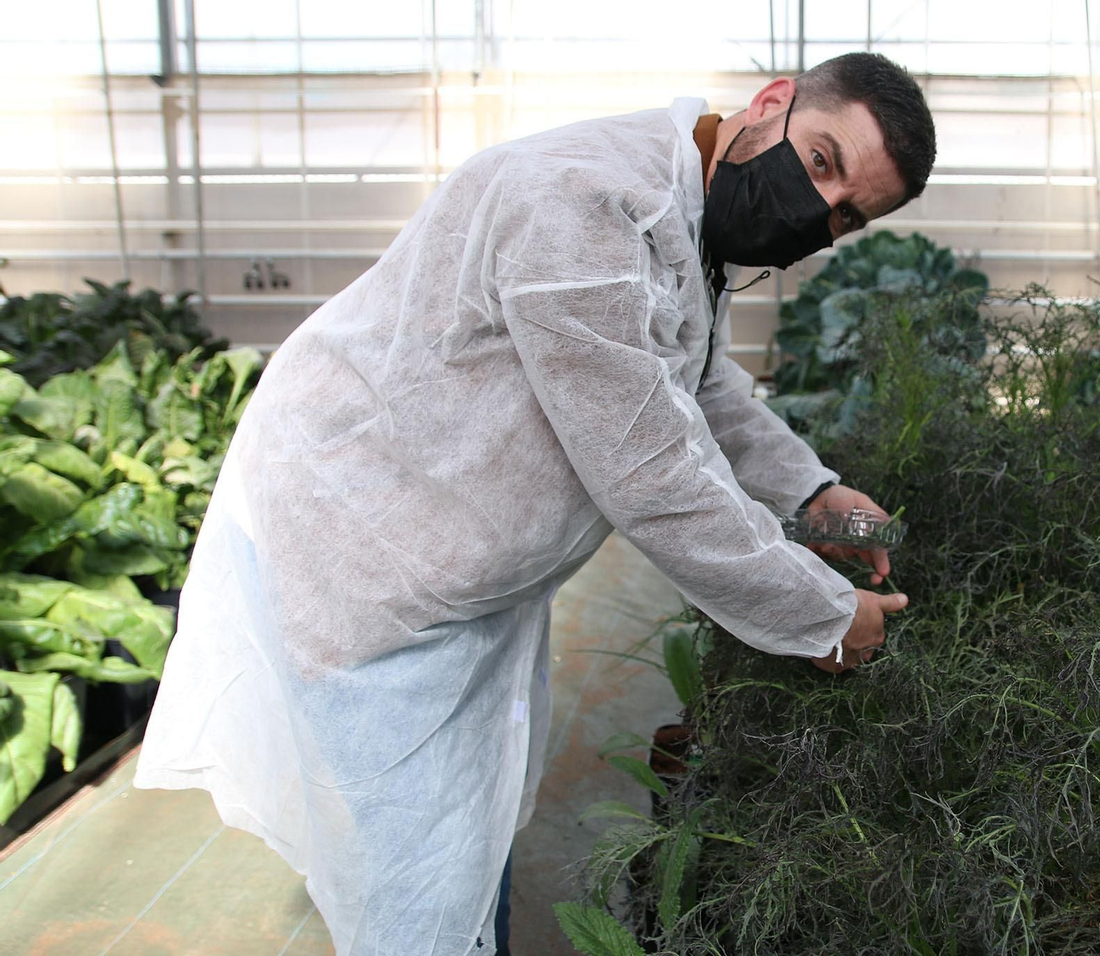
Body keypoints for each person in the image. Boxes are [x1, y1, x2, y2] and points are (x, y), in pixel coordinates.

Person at [134, 52, 936, 956]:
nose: (814, 212)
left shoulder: (686, 217)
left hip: (455, 558)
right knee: (419, 882)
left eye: (843, 215)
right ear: (772, 103)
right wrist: (821, 615)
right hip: (362, 550)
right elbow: (650, 473)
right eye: (821, 162)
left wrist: (815, 492)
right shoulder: (581, 203)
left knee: (470, 830)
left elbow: (698, 386)